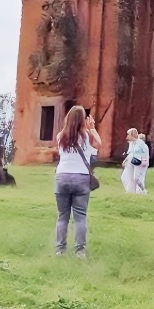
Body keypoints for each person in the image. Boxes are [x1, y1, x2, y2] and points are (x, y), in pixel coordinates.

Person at [54, 106, 101, 257]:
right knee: (80, 217)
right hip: (81, 178)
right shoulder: (86, 136)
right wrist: (92, 128)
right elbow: (99, 144)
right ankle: (79, 251)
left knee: (62, 216)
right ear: (83, 120)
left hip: (62, 177)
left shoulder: (60, 136)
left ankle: (60, 250)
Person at [121, 128, 149, 194]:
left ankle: (143, 190)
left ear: (132, 135)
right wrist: (125, 160)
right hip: (132, 161)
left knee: (136, 178)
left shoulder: (140, 143)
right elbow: (130, 153)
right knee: (129, 177)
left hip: (139, 162)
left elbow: (145, 152)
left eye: (128, 135)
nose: (127, 137)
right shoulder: (131, 144)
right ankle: (130, 191)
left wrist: (144, 161)